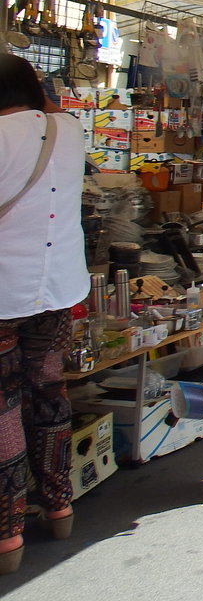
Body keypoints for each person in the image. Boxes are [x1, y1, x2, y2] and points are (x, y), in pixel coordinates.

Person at [0, 54, 88, 575]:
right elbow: (49, 111)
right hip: (57, 289)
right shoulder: (69, 130)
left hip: (5, 293)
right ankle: (59, 505)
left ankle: (8, 533)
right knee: (49, 392)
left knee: (5, 406)